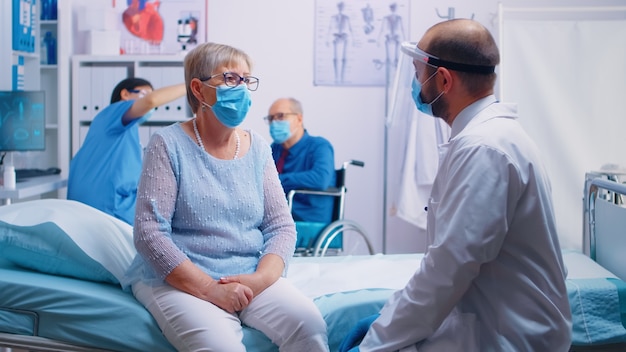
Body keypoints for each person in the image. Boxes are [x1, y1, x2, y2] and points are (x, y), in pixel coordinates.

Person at [340, 19, 572, 351]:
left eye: (418, 74)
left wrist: (376, 341)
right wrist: (388, 321)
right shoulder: (489, 137)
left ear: (444, 79)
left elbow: (447, 270)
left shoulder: (484, 148)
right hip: (497, 323)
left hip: (508, 336)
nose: (416, 84)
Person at [122, 43, 329, 351]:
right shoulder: (167, 144)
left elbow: (281, 227)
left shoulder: (258, 148)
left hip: (248, 274)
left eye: (247, 80)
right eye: (231, 78)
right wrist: (209, 289)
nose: (242, 88)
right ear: (199, 89)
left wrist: (259, 280)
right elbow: (150, 234)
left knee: (309, 326)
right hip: (178, 279)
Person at [67, 78, 186, 225]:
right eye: (144, 93)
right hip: (109, 210)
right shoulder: (114, 112)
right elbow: (151, 101)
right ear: (125, 94)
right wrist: (193, 84)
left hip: (105, 208)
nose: (148, 98)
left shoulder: (123, 130)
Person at [266, 97, 336, 224]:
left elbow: (321, 178)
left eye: (281, 116)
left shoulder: (319, 146)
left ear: (299, 119)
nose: (274, 122)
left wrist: (278, 180)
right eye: (271, 119)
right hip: (281, 210)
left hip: (307, 215)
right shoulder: (275, 149)